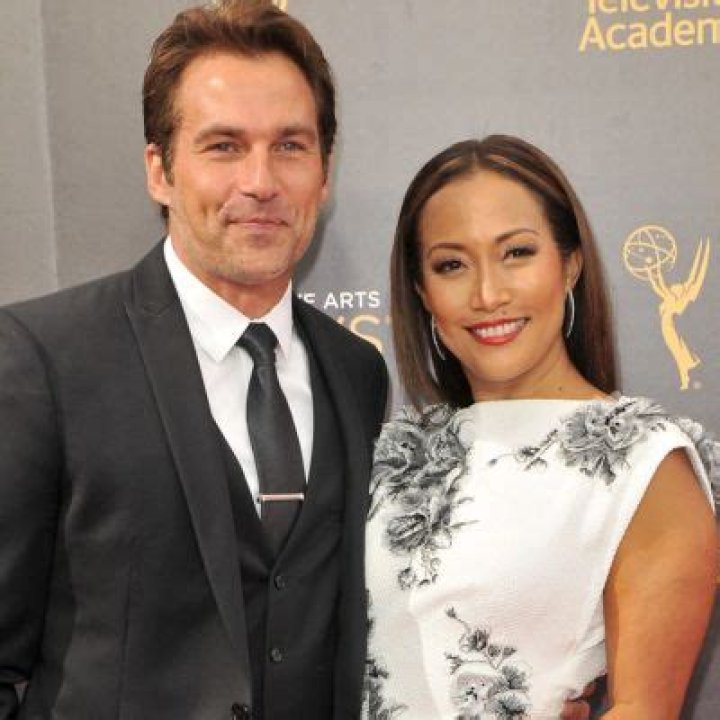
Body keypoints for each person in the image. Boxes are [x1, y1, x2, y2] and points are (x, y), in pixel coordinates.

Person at [0, 2, 388, 718]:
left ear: (324, 172)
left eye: (290, 145)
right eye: (224, 146)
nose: (261, 181)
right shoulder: (45, 359)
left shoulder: (356, 372)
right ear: (160, 170)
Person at [363, 135, 718, 718]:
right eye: (452, 265)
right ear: (423, 292)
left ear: (569, 264)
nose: (488, 294)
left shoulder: (645, 464)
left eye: (517, 253)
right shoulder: (397, 456)